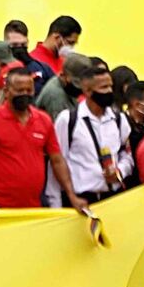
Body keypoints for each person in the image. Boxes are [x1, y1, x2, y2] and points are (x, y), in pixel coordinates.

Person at [0, 69, 77, 216]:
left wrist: (71, 196)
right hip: (0, 208)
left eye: (29, 90)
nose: (25, 94)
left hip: (34, 207)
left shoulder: (44, 120)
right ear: (7, 91)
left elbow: (57, 160)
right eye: (19, 90)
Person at [55, 62, 132, 205]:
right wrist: (60, 200)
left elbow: (127, 155)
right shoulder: (68, 120)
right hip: (81, 199)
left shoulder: (119, 119)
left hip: (113, 197)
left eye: (110, 86)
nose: (109, 91)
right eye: (103, 87)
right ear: (87, 91)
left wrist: (120, 170)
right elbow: (58, 161)